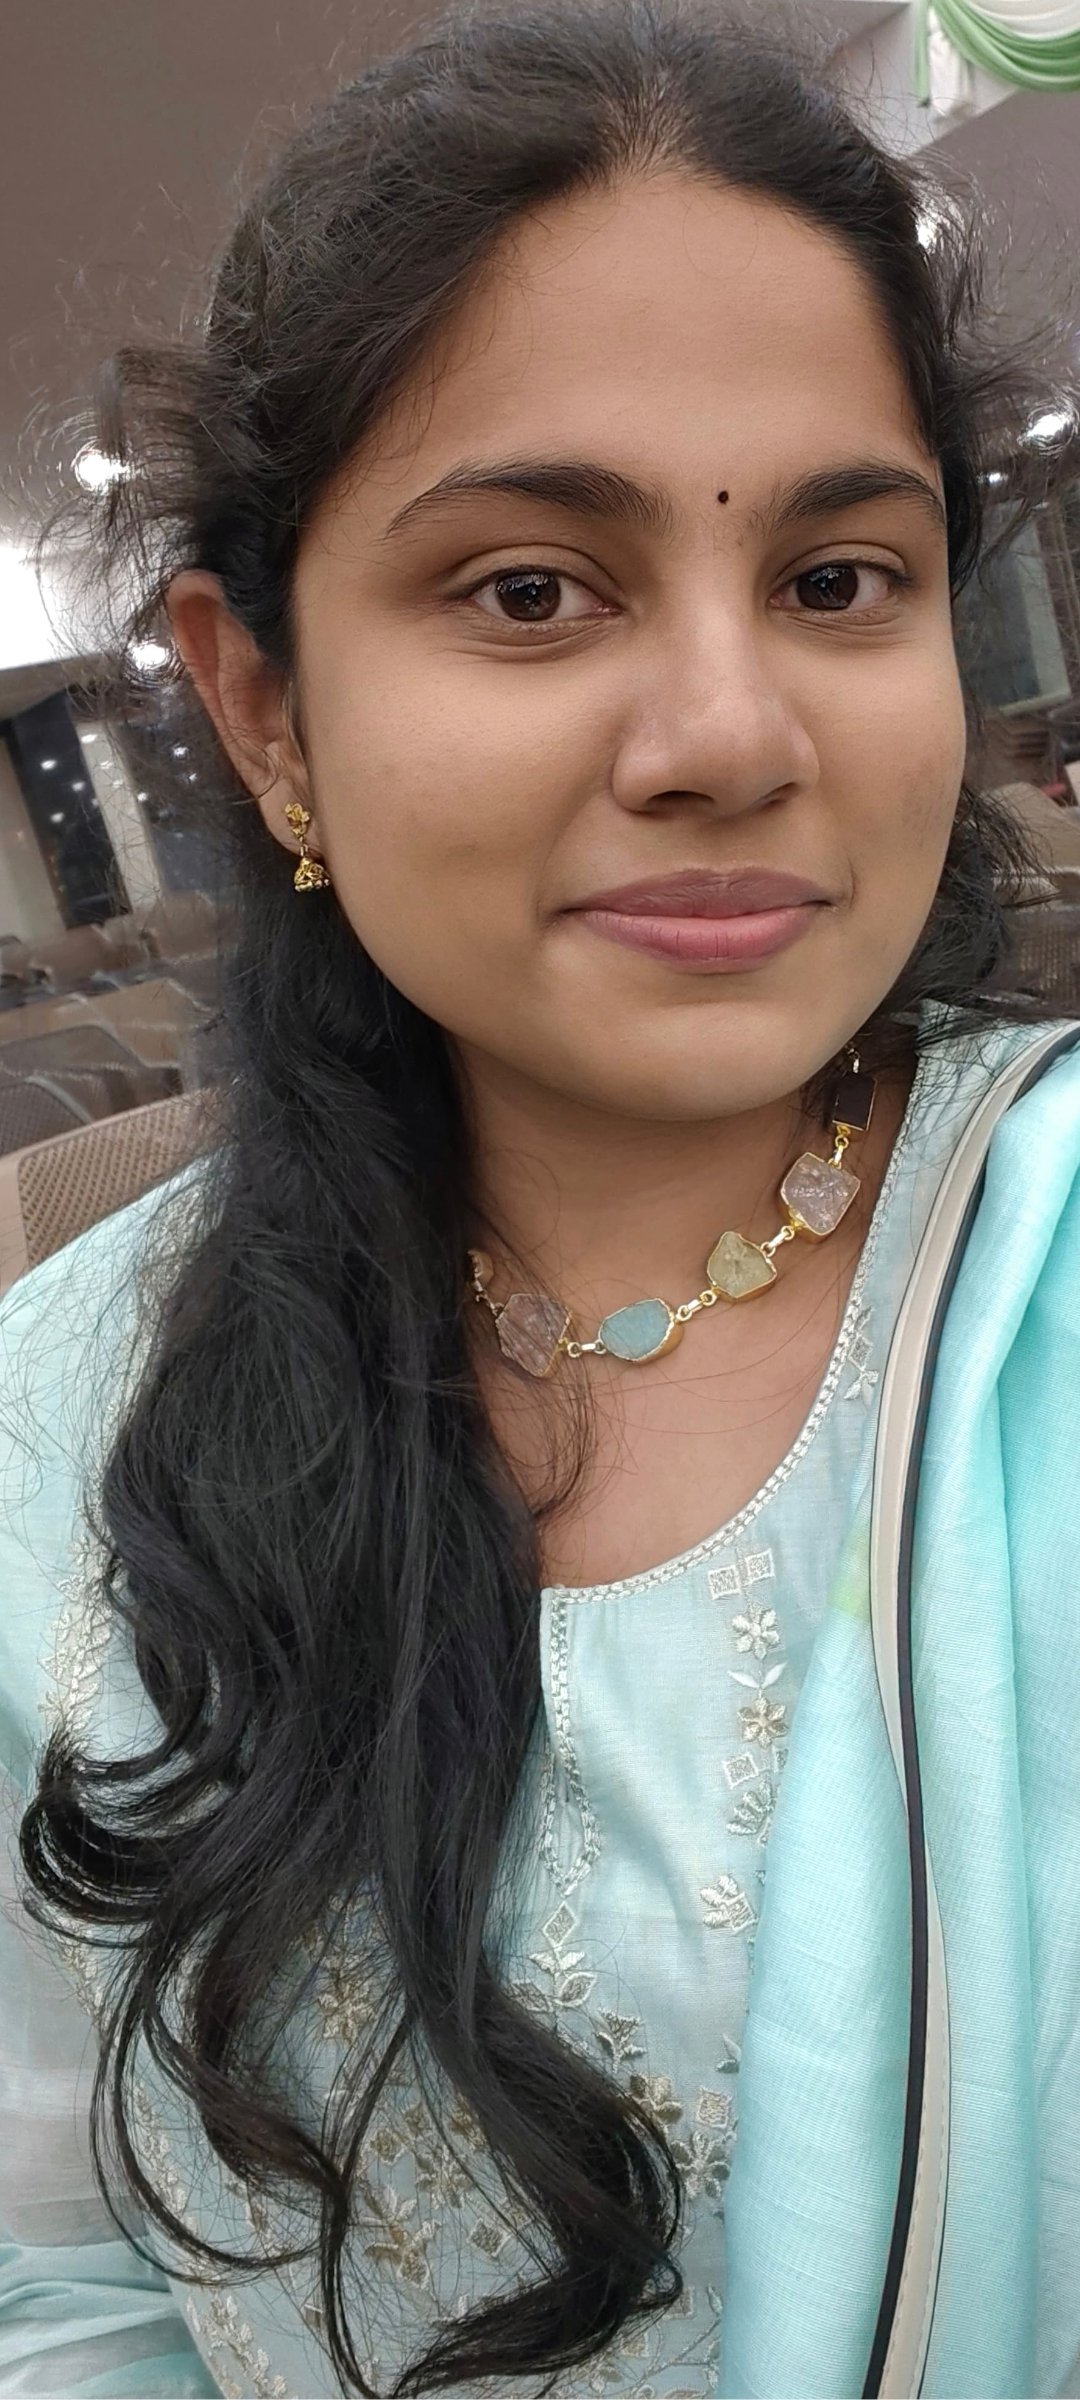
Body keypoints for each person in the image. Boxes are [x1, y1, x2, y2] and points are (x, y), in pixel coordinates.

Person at [2, 1, 1080, 2393]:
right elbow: (56, 2281)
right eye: (527, 591)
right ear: (262, 707)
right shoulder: (50, 1444)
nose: (729, 735)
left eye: (840, 579)